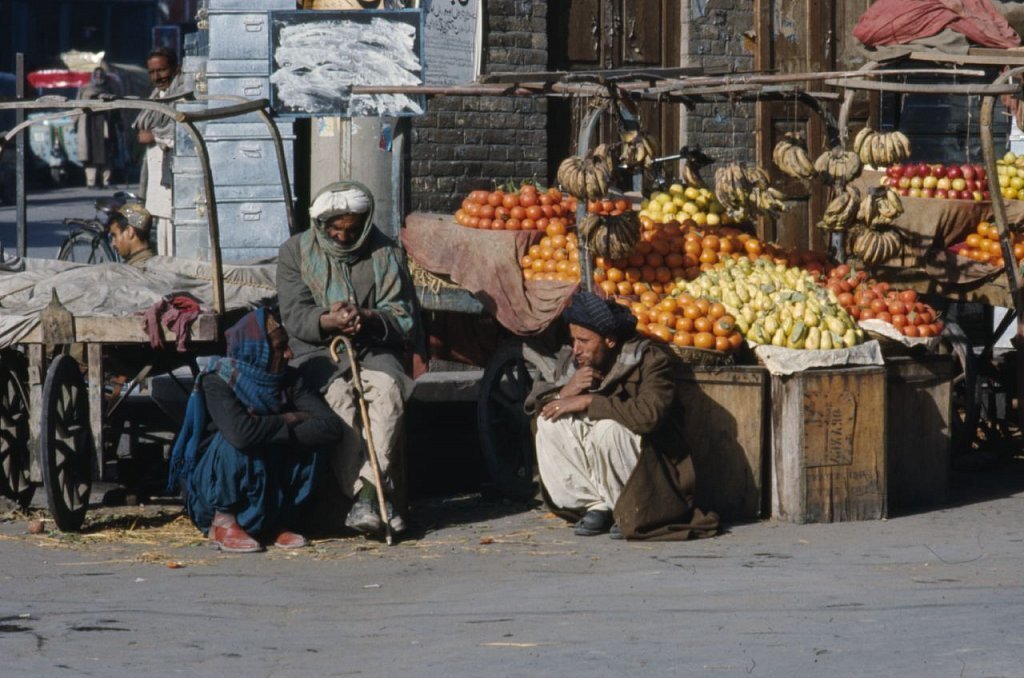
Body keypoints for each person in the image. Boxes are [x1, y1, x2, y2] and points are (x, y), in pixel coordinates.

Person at [277, 180, 417, 538]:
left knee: (387, 393)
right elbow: (294, 315)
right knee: (339, 400)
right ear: (321, 226)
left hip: (373, 349)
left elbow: (401, 316)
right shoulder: (295, 251)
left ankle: (369, 498)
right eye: (334, 230)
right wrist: (329, 320)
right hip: (318, 352)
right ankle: (369, 496)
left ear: (365, 225)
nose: (342, 237)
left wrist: (368, 317)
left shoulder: (386, 252)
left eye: (351, 231)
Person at [525, 291, 719, 541]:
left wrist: (588, 401)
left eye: (584, 341)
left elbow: (649, 415)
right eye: (574, 340)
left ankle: (627, 507)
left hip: (653, 464)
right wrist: (566, 391)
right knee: (548, 422)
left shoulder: (651, 361)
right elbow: (539, 406)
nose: (576, 349)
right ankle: (596, 506)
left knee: (607, 429)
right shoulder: (573, 361)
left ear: (610, 341)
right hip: (601, 454)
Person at [168, 307, 346, 553]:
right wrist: (290, 417)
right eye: (279, 347)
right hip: (215, 491)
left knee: (311, 447)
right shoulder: (217, 380)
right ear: (257, 351)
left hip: (270, 485)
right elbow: (241, 435)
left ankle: (277, 522)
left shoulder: (290, 380)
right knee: (233, 441)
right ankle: (223, 523)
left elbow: (330, 426)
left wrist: (265, 430)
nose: (289, 354)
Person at [132, 47, 186, 256]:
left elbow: (182, 131)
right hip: (156, 181)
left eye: (162, 71)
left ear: (175, 69)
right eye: (152, 72)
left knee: (173, 241)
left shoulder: (181, 96)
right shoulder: (156, 97)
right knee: (161, 237)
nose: (157, 77)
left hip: (172, 180)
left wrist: (154, 136)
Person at [76, 68, 118, 189]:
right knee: (90, 155)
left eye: (101, 74)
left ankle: (106, 181)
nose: (99, 76)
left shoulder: (109, 88)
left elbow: (116, 106)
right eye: (96, 74)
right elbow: (79, 104)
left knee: (107, 154)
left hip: (106, 125)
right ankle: (91, 181)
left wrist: (118, 121)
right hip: (89, 125)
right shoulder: (85, 88)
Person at [108, 202, 155, 267]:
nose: (113, 244)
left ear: (130, 232)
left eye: (115, 236)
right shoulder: (155, 263)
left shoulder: (133, 271)